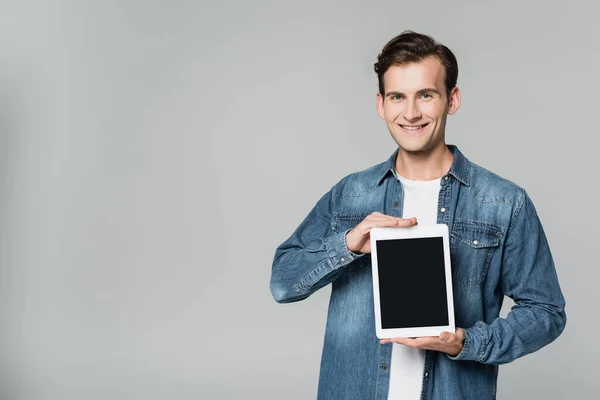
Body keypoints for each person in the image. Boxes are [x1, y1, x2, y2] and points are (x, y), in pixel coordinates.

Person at [269, 31, 566, 400]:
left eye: (425, 95)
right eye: (397, 97)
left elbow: (547, 311)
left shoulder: (503, 202)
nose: (410, 113)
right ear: (381, 104)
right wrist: (346, 246)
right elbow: (282, 283)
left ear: (451, 100)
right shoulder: (350, 195)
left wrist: (468, 343)